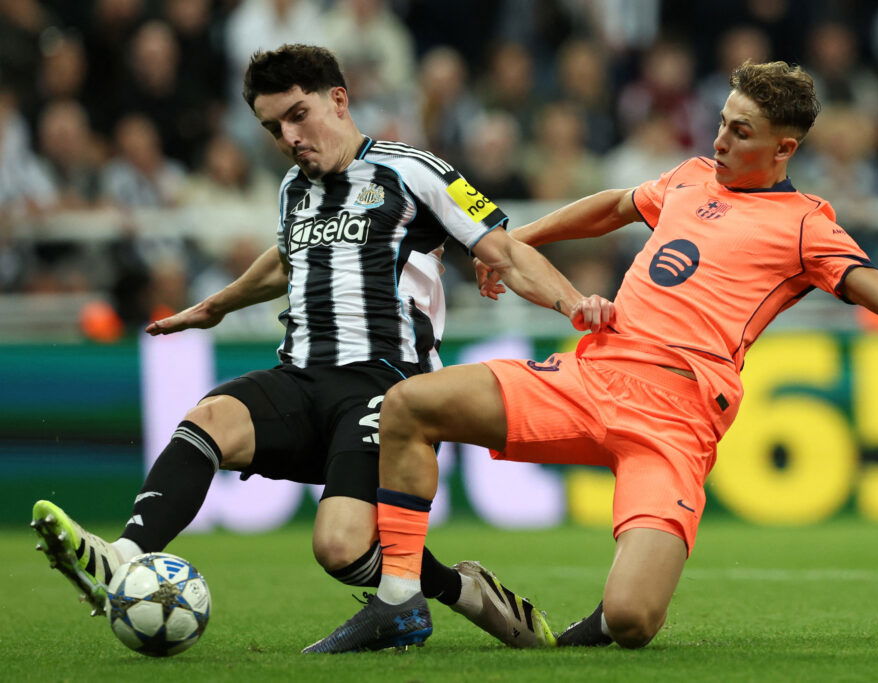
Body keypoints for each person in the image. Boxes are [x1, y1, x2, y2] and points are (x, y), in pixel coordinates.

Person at [313, 60, 878, 652]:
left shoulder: (807, 224)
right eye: (722, 123)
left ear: (784, 148)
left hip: (677, 420)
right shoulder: (690, 178)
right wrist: (512, 243)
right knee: (408, 405)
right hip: (591, 375)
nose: (721, 140)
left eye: (741, 132)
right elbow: (614, 204)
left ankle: (593, 626)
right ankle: (402, 600)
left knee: (634, 619)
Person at [32, 44, 610, 653]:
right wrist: (217, 306)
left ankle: (450, 594)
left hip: (389, 387)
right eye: (272, 127)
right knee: (206, 422)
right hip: (302, 376)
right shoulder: (293, 189)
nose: (288, 137)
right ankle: (121, 558)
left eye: (297, 115)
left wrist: (573, 304)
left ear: (339, 99)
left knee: (339, 548)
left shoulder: (413, 170)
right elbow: (286, 259)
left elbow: (506, 251)